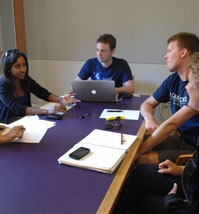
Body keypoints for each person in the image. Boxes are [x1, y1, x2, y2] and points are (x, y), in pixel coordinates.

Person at [114, 52, 199, 214]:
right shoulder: (175, 81)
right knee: (141, 197)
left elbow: (170, 124)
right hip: (189, 176)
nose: (187, 87)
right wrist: (180, 170)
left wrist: (172, 202)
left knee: (141, 176)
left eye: (192, 83)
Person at [137, 32, 199, 165]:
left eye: (169, 51)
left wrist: (137, 152)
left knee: (139, 159)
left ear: (183, 53)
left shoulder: (196, 87)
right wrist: (149, 118)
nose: (165, 56)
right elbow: (146, 104)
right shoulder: (173, 80)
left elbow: (170, 125)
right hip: (182, 140)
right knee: (137, 143)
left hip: (194, 149)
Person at [0, 49, 79, 124]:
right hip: (9, 123)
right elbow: (18, 108)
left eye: (24, 65)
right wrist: (47, 111)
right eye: (17, 66)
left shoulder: (25, 79)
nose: (23, 69)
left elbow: (43, 93)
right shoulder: (2, 84)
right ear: (8, 68)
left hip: (26, 118)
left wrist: (61, 100)